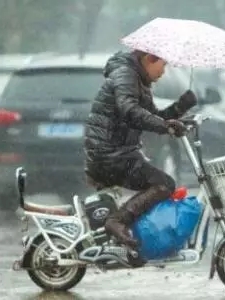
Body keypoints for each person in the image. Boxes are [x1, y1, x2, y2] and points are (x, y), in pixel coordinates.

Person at [84, 50, 197, 248]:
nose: (163, 72)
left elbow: (152, 116)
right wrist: (166, 126)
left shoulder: (138, 80)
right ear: (149, 59)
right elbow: (130, 110)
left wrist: (181, 107)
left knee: (159, 182)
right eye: (163, 65)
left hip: (116, 153)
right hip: (110, 155)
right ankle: (117, 221)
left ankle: (132, 236)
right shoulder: (126, 75)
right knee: (164, 184)